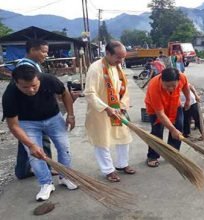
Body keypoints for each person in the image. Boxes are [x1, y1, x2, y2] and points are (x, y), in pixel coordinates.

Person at [2, 65, 78, 201]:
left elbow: (64, 93)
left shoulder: (48, 79)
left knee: (64, 147)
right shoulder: (10, 94)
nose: (31, 90)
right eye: (25, 87)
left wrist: (70, 115)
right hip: (27, 123)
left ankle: (65, 177)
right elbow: (13, 126)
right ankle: (46, 183)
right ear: (16, 83)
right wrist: (31, 145)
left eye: (34, 85)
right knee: (36, 155)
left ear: (39, 79)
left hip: (53, 118)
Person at [84, 41, 135, 183]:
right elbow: (89, 93)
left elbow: (123, 89)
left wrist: (123, 106)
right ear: (107, 54)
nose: (121, 61)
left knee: (124, 137)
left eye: (123, 57)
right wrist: (106, 108)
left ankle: (122, 164)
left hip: (117, 109)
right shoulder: (95, 68)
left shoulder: (117, 67)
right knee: (102, 141)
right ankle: (108, 170)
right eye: (118, 57)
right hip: (100, 112)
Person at [9, 39, 55, 179]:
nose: (46, 55)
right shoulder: (25, 67)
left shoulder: (34, 65)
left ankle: (22, 171)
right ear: (33, 50)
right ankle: (46, 167)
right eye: (43, 51)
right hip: (31, 113)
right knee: (40, 140)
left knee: (27, 142)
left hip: (30, 112)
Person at [144, 67, 191, 167]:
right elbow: (160, 114)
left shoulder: (182, 77)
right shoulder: (154, 86)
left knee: (178, 127)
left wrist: (188, 100)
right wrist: (172, 129)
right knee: (157, 131)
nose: (170, 88)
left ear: (178, 80)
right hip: (156, 109)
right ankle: (153, 156)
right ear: (161, 80)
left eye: (173, 86)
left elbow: (186, 87)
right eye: (167, 86)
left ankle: (173, 153)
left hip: (174, 104)